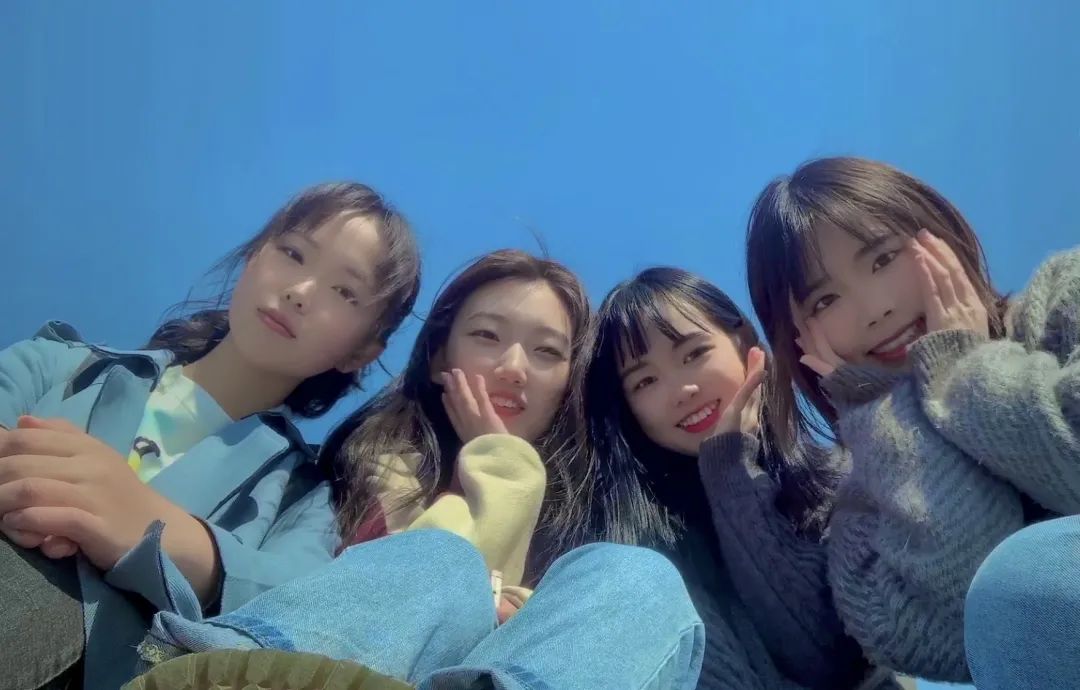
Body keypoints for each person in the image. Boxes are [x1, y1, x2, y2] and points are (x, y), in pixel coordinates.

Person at [126, 250, 705, 690]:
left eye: (547, 352)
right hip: (313, 664)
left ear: (568, 385)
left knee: (638, 578)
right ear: (437, 357)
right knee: (441, 561)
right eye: (487, 336)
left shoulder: (587, 525)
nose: (514, 367)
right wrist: (503, 470)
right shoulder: (341, 480)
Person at [0, 181, 421, 689]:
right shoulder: (60, 364)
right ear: (252, 258)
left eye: (345, 292)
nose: (301, 291)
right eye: (292, 253)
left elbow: (297, 616)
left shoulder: (305, 503)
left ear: (362, 351)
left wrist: (153, 530)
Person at [745, 155, 1079, 683]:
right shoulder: (859, 517)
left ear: (937, 230)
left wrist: (962, 370)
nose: (874, 310)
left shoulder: (1063, 299)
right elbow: (959, 627)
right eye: (826, 300)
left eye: (882, 259)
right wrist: (887, 409)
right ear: (797, 339)